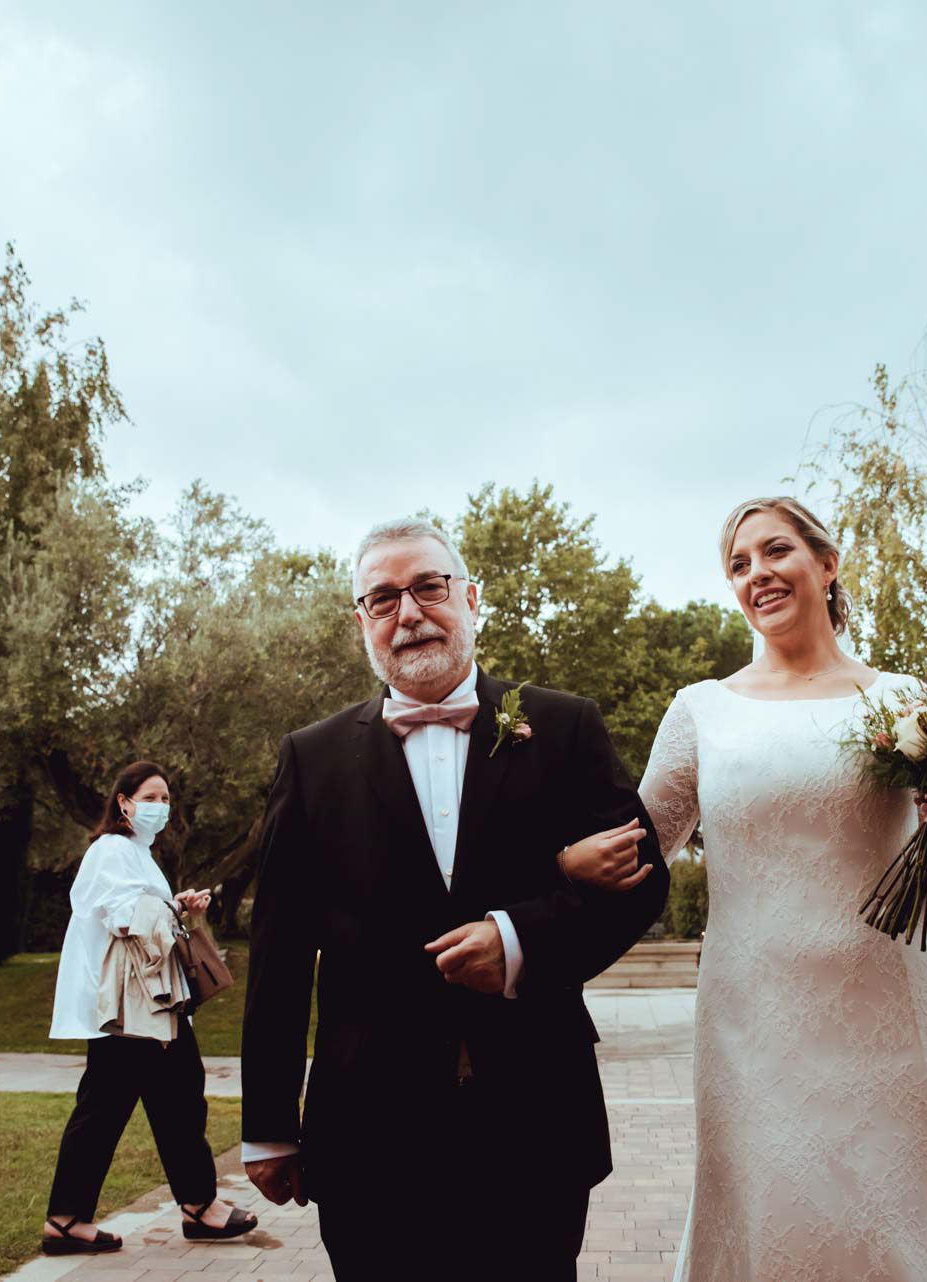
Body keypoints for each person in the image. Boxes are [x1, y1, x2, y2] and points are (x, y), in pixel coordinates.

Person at [240, 517, 669, 1282]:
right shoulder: (311, 759)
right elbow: (277, 948)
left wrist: (519, 936)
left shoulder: (565, 726)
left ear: (470, 596)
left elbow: (644, 880)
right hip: (368, 1127)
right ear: (361, 623)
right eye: (381, 599)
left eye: (428, 587)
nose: (408, 613)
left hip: (533, 1117)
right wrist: (268, 1126)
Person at [632, 496, 927, 1280]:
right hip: (752, 1028)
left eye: (776, 551)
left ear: (827, 564)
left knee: (900, 1241)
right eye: (738, 563)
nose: (757, 573)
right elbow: (636, 848)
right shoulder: (702, 711)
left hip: (896, 1021)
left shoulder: (903, 699)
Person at [40, 760, 256, 1254]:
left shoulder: (137, 853)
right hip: (133, 1006)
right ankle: (71, 1220)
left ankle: (196, 1206)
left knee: (172, 1100)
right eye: (152, 797)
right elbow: (119, 914)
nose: (162, 807)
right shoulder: (112, 849)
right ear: (123, 802)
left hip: (148, 1004)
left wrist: (177, 907)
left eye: (166, 799)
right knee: (118, 1106)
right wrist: (169, 910)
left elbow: (139, 911)